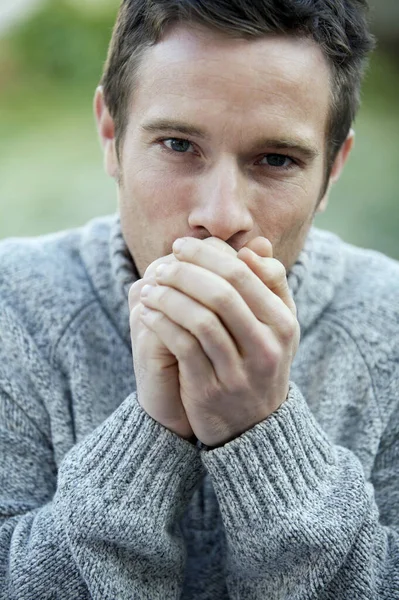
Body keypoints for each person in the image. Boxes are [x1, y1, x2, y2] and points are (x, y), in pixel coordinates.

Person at [0, 0, 398, 598]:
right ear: (111, 134)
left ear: (332, 170)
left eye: (276, 160)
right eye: (179, 146)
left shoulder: (390, 329)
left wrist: (263, 432)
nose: (220, 216)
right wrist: (150, 432)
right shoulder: (13, 308)